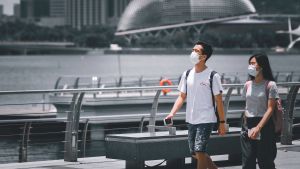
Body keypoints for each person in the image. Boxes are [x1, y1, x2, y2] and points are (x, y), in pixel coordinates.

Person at [165, 41, 226, 169]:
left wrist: (222, 123)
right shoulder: (187, 74)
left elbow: (219, 101)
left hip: (206, 118)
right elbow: (182, 97)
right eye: (192, 49)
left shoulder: (212, 75)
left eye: (196, 51)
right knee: (195, 152)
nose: (192, 53)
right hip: (191, 119)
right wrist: (172, 113)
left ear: (204, 57)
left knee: (200, 150)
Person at [241, 53, 279, 169]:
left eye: (253, 63)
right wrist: (245, 125)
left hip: (264, 124)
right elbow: (246, 105)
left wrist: (258, 128)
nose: (250, 66)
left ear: (262, 66)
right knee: (247, 161)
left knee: (265, 161)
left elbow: (271, 108)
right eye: (249, 64)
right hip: (248, 124)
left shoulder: (270, 85)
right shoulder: (247, 85)